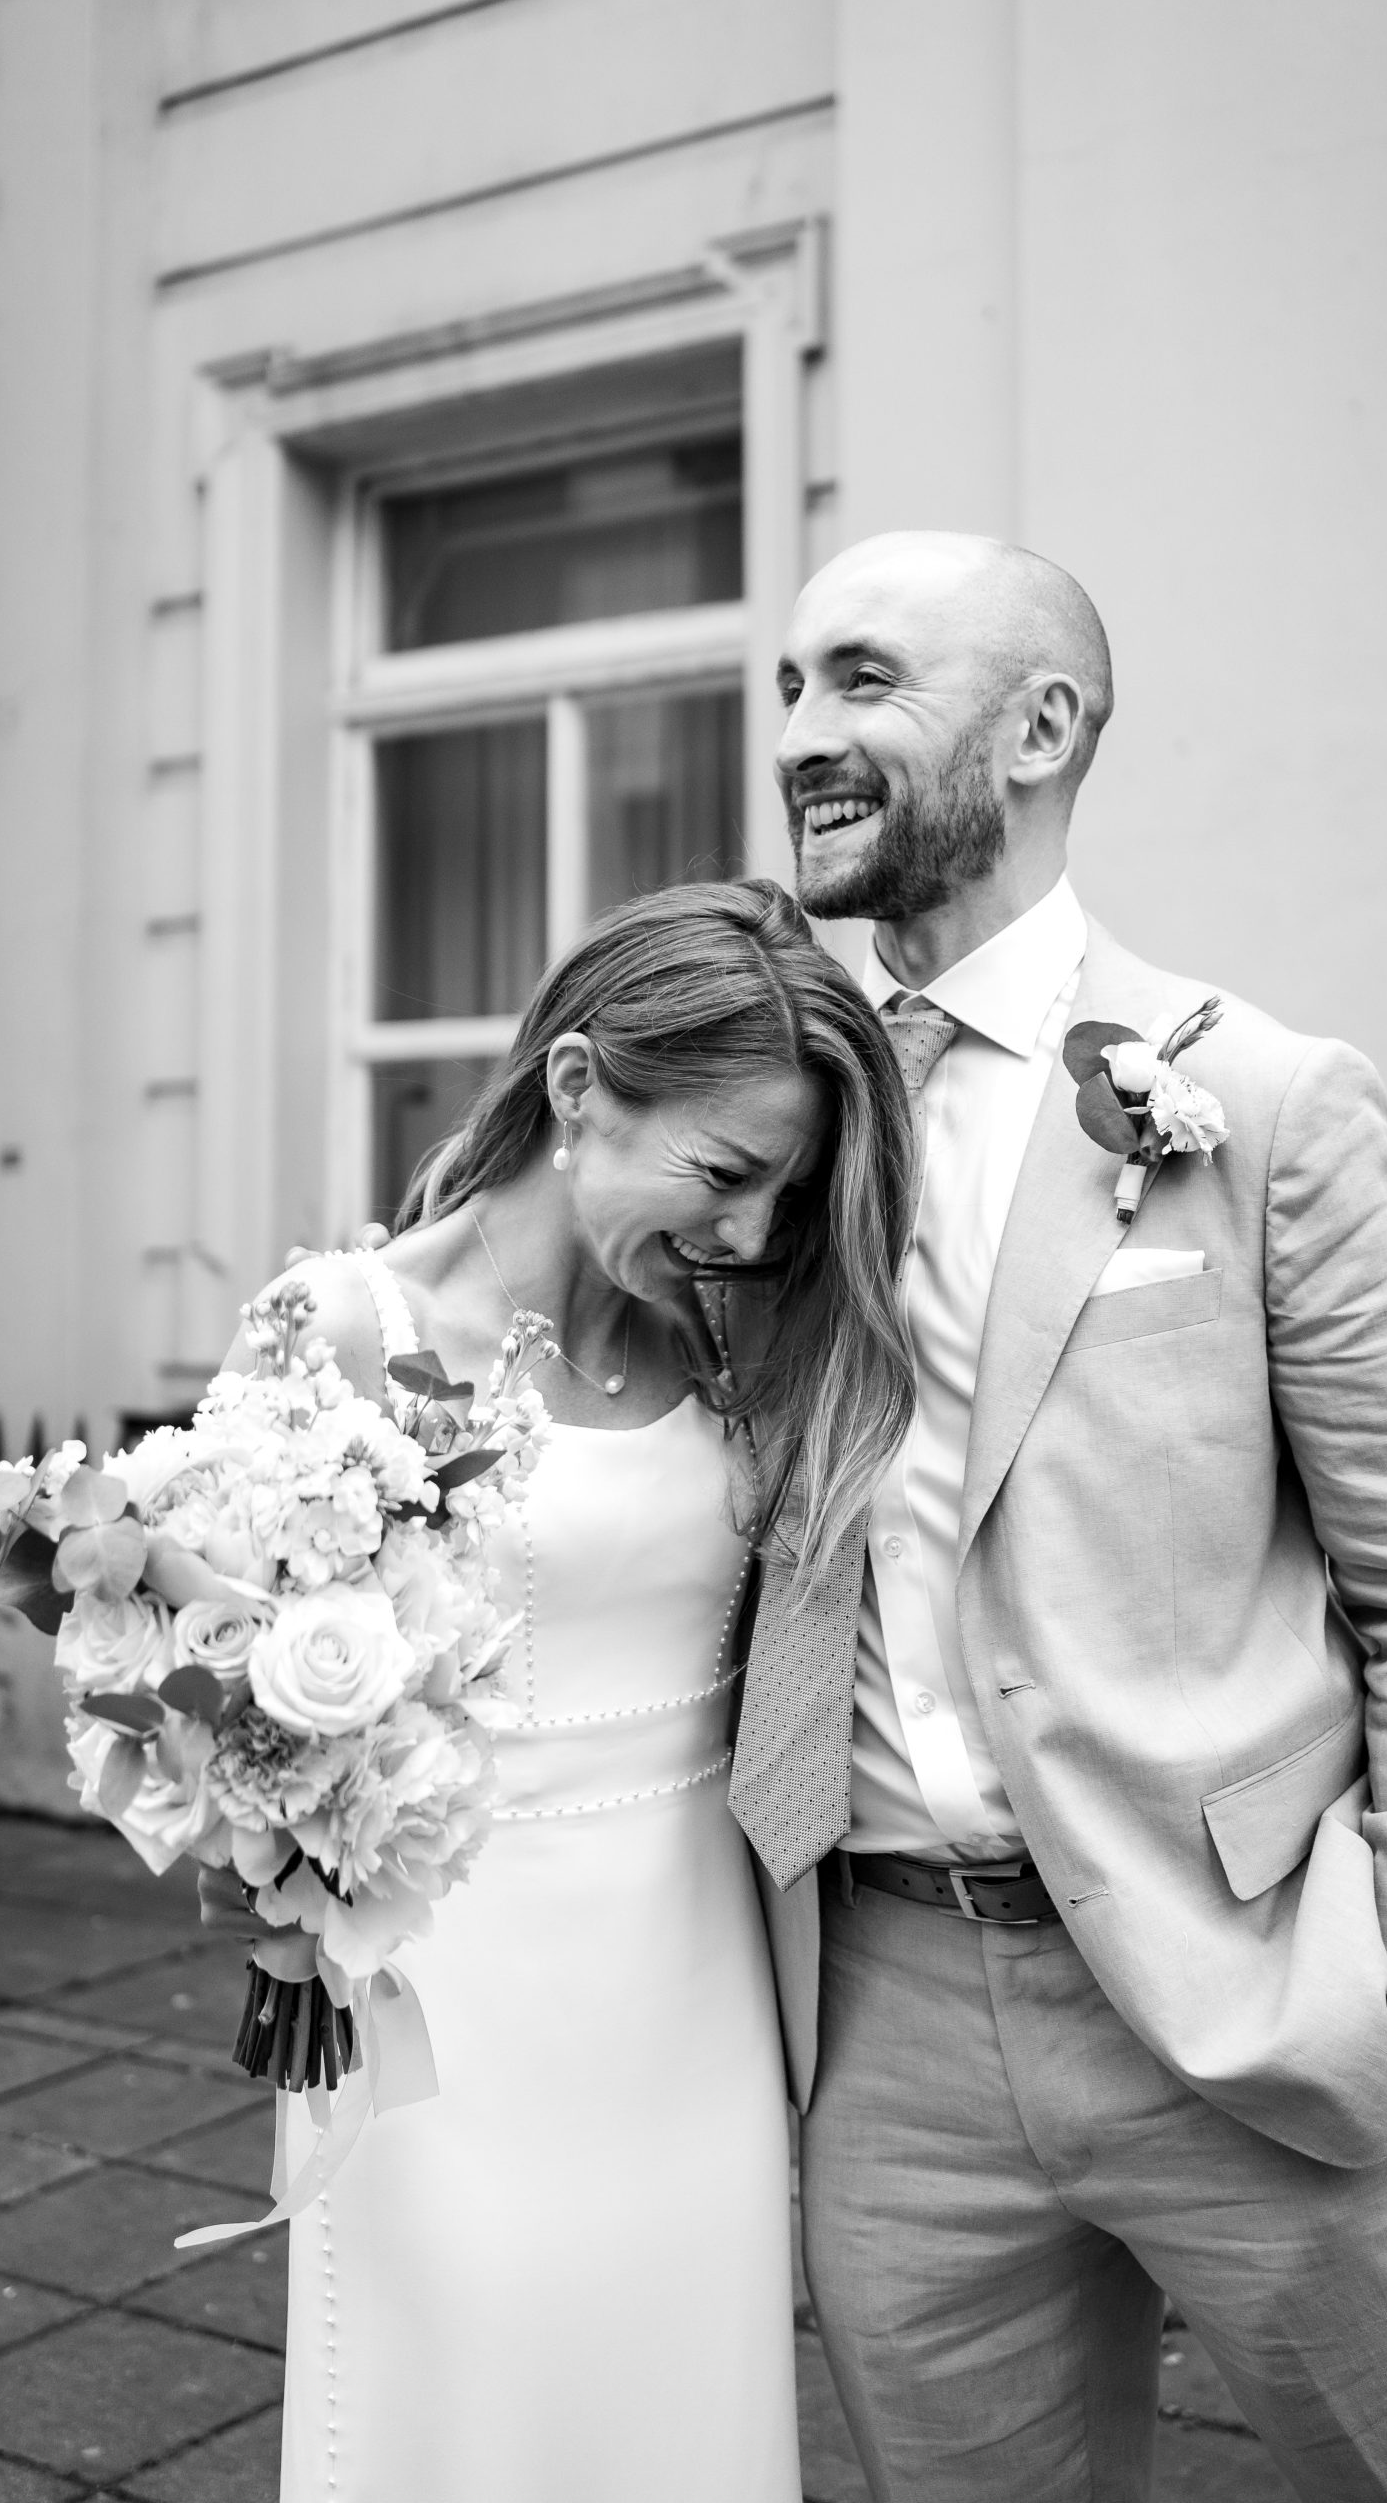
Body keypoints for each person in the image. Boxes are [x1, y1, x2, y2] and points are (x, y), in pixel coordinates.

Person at [732, 529, 1387, 2502]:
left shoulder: (1268, 1102)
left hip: (1255, 1992)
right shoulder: (781, 1115)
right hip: (884, 2027)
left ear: (1039, 725)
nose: (797, 735)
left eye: (862, 678)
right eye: (788, 686)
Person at [205, 880, 916, 2503]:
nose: (752, 1232)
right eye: (724, 1175)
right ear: (580, 1087)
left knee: (677, 2408)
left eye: (784, 1193)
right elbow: (221, 1687)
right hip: (460, 2001)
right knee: (471, 2411)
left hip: (697, 1982)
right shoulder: (342, 1328)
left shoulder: (729, 1337)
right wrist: (263, 1848)